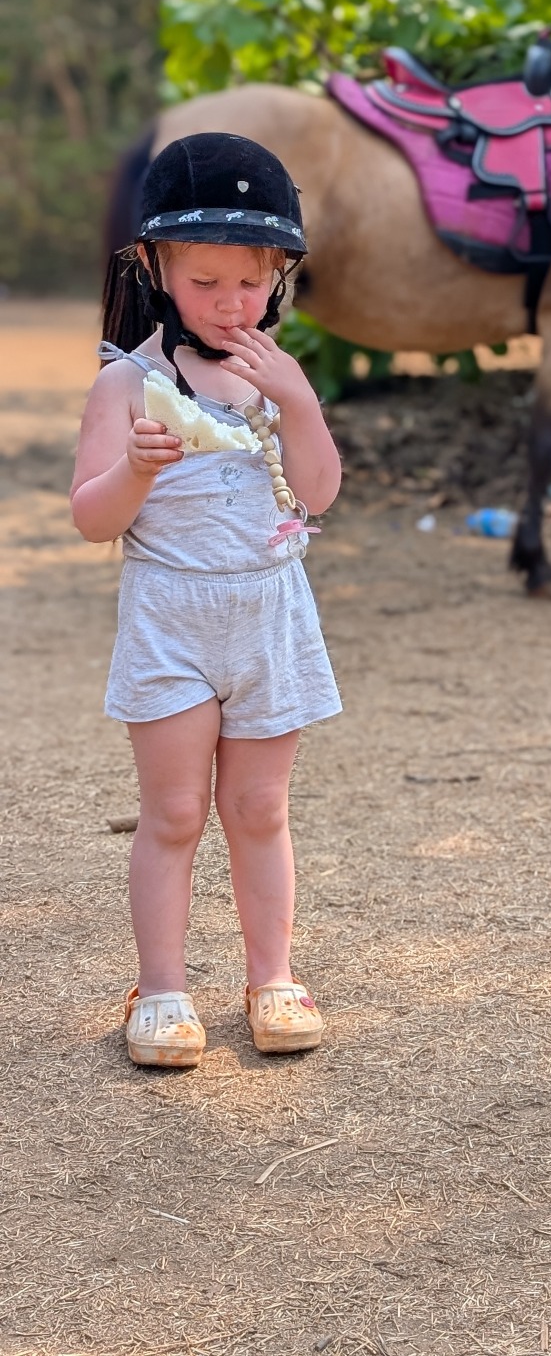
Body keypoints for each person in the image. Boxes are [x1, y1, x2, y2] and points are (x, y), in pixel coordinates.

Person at [72, 133, 342, 1068]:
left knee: (261, 810)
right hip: (172, 622)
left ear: (279, 276)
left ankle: (272, 977)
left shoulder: (272, 378)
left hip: (270, 617)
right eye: (205, 283)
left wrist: (300, 403)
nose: (232, 304)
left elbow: (318, 491)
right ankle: (162, 989)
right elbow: (90, 518)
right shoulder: (128, 383)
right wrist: (135, 472)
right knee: (176, 812)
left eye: (250, 283)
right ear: (154, 267)